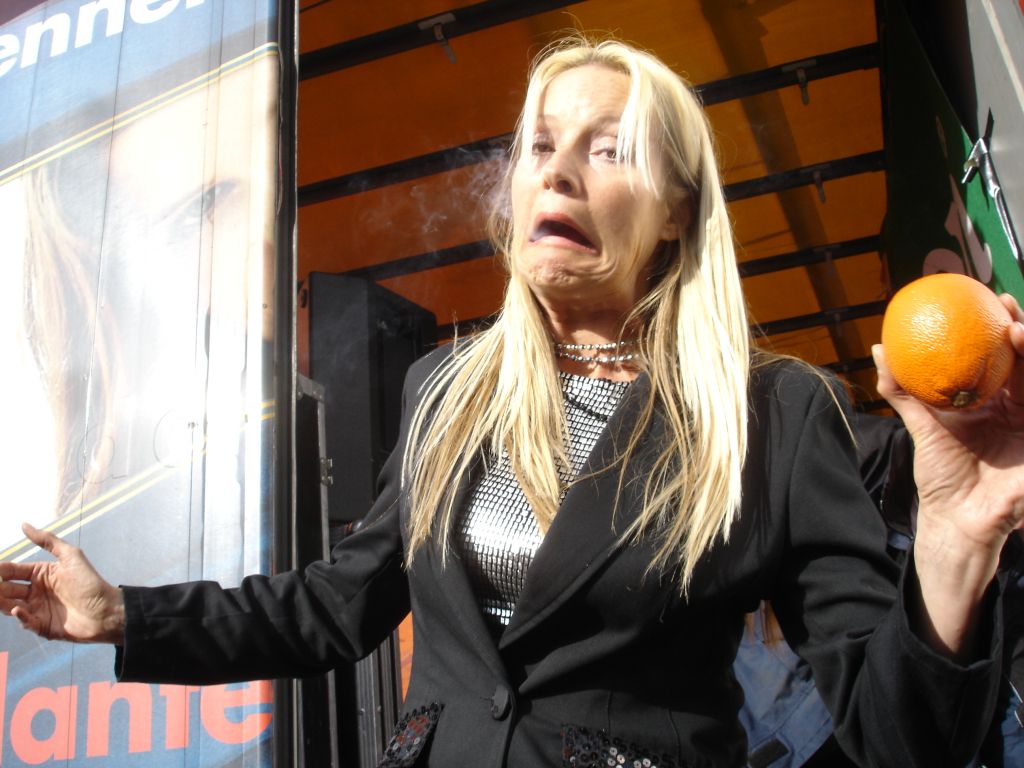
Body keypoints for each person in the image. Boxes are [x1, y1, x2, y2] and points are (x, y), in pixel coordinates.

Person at [1, 35, 1022, 768]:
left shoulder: (775, 413)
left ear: (675, 211)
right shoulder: (446, 390)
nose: (558, 172)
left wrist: (957, 536)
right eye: (540, 145)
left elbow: (901, 738)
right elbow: (333, 607)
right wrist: (123, 614)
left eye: (608, 148)